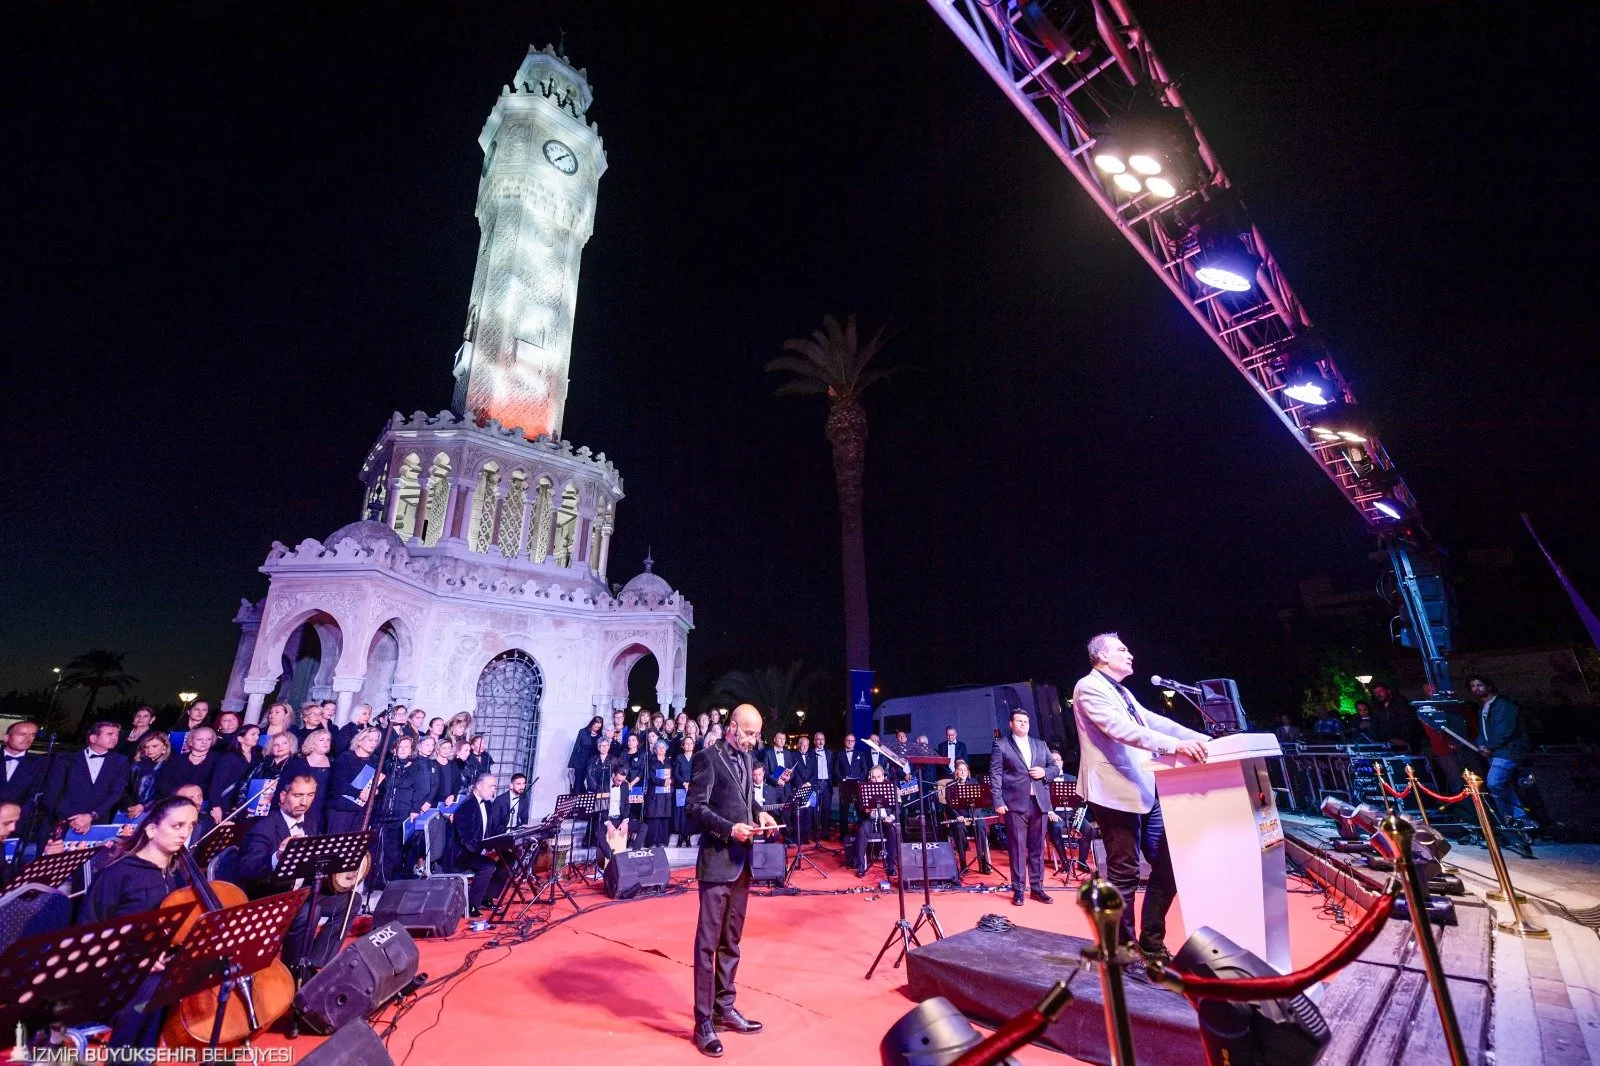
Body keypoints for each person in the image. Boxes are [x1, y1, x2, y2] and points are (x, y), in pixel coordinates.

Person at [1073, 632, 1209, 967]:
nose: (1130, 654)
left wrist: (1202, 739)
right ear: (1102, 656)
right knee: (1125, 871)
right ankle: (1123, 949)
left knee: (1169, 863)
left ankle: (1151, 941)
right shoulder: (1088, 687)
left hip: (1145, 789)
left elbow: (1153, 722)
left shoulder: (1123, 690)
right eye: (1122, 649)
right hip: (1114, 790)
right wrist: (1173, 746)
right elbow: (1120, 728)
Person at [686, 703, 779, 1057]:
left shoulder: (744, 759)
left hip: (743, 864)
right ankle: (703, 1021)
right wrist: (729, 829)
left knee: (732, 942)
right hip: (716, 864)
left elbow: (742, 802)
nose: (755, 740)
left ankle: (725, 1008)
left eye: (757, 734)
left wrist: (761, 813)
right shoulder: (707, 758)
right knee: (707, 945)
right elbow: (695, 808)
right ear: (733, 728)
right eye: (751, 733)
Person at [82, 794, 199, 1048]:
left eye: (191, 826)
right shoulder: (118, 874)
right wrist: (138, 957)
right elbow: (88, 936)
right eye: (177, 826)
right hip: (113, 976)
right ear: (151, 829)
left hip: (159, 969)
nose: (185, 834)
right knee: (154, 986)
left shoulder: (178, 874)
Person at [235, 774, 345, 967]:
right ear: (283, 796)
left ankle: (316, 961)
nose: (304, 802)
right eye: (298, 795)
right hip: (272, 897)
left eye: (310, 795)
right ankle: (292, 969)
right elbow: (245, 868)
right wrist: (277, 857)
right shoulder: (263, 828)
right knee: (310, 909)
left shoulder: (309, 821)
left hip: (302, 892)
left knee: (349, 901)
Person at [989, 709, 1061, 907]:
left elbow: (1055, 768)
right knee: (1017, 848)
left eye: (1026, 721)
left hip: (1039, 802)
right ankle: (1019, 890)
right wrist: (998, 801)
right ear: (1011, 724)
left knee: (1038, 848)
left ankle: (1037, 889)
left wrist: (1044, 772)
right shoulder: (1001, 745)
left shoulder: (1040, 744)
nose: (1023, 724)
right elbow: (995, 774)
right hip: (1014, 803)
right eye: (1019, 721)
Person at [44, 721, 130, 837]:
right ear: (93, 738)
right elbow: (53, 792)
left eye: (117, 734)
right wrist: (71, 819)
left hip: (98, 821)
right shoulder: (65, 760)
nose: (115, 738)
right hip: (66, 821)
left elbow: (116, 792)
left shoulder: (121, 761)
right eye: (110, 734)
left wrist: (91, 816)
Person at [1468, 675, 1532, 828]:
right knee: (1502, 785)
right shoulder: (1483, 707)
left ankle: (1511, 819)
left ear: (1489, 686)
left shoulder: (1504, 705)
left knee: (1494, 782)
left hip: (1508, 751)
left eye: (1479, 685)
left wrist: (1489, 746)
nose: (1476, 689)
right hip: (1496, 752)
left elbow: (1504, 730)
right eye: (1473, 686)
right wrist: (1481, 744)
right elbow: (1483, 732)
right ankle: (1519, 820)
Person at [452, 771, 507, 916]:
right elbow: (464, 839)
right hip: (461, 854)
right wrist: (483, 850)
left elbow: (492, 830)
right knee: (488, 865)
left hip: (478, 849)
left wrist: (504, 839)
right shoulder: (467, 806)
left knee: (508, 858)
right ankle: (470, 905)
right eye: (491, 786)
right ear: (479, 786)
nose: (494, 790)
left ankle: (486, 897)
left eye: (494, 787)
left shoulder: (488, 805)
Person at [374, 735, 427, 885]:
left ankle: (391, 880)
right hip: (383, 812)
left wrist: (414, 809)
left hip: (402, 813)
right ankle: (377, 880)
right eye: (400, 747)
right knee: (379, 848)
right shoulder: (388, 764)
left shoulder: (417, 767)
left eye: (406, 747)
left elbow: (421, 790)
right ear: (395, 749)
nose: (402, 750)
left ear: (411, 750)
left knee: (395, 850)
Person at [326, 727, 382, 834]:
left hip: (361, 812)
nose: (373, 743)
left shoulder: (376, 760)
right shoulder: (345, 757)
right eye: (370, 740)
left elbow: (380, 782)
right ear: (360, 740)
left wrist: (376, 791)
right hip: (341, 810)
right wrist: (358, 793)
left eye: (376, 741)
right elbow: (338, 785)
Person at [942, 759, 992, 874]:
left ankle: (982, 859)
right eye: (960, 770)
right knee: (958, 828)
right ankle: (963, 861)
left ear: (968, 772)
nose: (963, 772)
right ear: (956, 773)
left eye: (965, 770)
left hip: (974, 815)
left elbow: (980, 803)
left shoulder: (974, 782)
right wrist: (958, 816)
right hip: (959, 817)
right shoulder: (950, 785)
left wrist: (973, 816)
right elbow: (949, 805)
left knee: (981, 825)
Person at [284, 727, 334, 833]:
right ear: (312, 743)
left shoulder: (334, 763)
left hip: (323, 810)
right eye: (321, 740)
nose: (325, 742)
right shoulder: (299, 763)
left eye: (328, 740)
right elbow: (286, 785)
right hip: (302, 806)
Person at [852, 764, 898, 878]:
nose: (875, 780)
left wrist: (891, 817)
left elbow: (897, 808)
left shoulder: (890, 787)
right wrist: (865, 810)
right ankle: (861, 866)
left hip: (885, 819)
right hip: (870, 820)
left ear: (883, 777)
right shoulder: (864, 788)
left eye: (878, 777)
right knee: (862, 830)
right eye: (873, 777)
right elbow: (859, 809)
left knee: (892, 831)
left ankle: (891, 866)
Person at [155, 725, 220, 801]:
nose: (204, 742)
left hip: (204, 804)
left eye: (209, 739)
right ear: (191, 742)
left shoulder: (219, 759)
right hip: (176, 800)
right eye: (199, 739)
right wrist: (179, 794)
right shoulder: (176, 759)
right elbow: (162, 784)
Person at [124, 732, 171, 819]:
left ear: (165, 746)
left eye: (154, 746)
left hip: (161, 811)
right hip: (134, 811)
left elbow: (167, 792)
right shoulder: (136, 765)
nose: (149, 750)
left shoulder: (171, 764)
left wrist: (144, 806)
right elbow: (125, 788)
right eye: (146, 747)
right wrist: (130, 806)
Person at [833, 733, 869, 838]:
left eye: (852, 741)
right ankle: (843, 835)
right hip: (845, 785)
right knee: (843, 811)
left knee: (860, 809)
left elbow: (864, 769)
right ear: (845, 741)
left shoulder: (860, 754)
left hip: (857, 785)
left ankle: (862, 833)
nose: (850, 742)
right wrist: (842, 779)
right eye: (848, 740)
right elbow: (836, 770)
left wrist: (860, 780)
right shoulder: (839, 754)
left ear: (854, 742)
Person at [642, 741, 676, 846]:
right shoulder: (651, 762)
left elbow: (675, 775)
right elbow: (650, 776)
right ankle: (651, 842)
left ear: (666, 749)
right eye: (659, 748)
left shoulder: (670, 762)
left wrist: (671, 781)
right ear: (655, 749)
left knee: (665, 818)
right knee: (653, 817)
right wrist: (662, 782)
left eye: (663, 747)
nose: (661, 749)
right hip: (654, 793)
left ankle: (663, 841)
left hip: (666, 794)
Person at [568, 716, 604, 790]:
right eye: (595, 726)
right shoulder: (583, 732)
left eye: (598, 727)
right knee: (578, 783)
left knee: (590, 785)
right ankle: (577, 799)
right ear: (592, 724)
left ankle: (582, 798)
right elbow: (576, 748)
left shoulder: (600, 736)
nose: (596, 728)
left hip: (591, 764)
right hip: (580, 762)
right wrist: (571, 765)